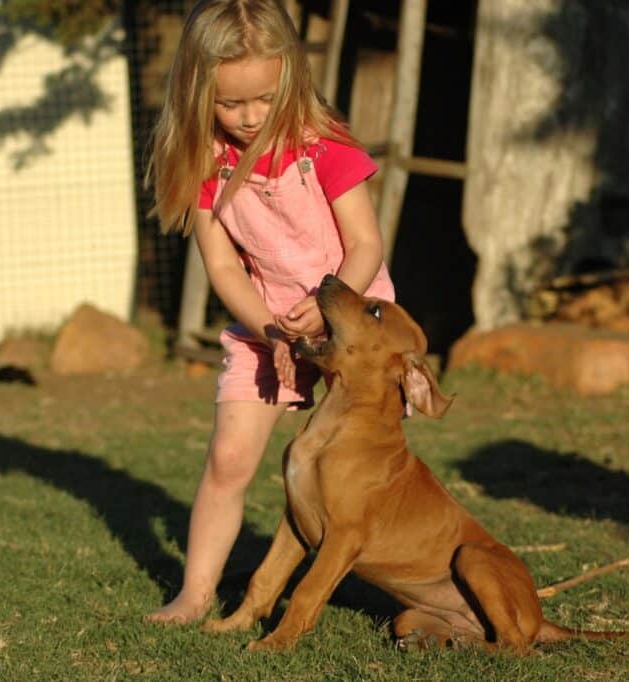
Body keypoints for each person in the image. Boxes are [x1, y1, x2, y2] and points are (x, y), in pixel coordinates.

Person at [144, 0, 394, 624]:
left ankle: (396, 578)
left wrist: (328, 303)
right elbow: (224, 268)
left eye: (264, 98)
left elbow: (366, 245)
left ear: (291, 77)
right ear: (198, 91)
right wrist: (271, 331)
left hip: (351, 324)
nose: (250, 117)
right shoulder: (205, 161)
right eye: (231, 104)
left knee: (354, 469)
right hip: (266, 324)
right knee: (228, 460)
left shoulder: (325, 146)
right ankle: (196, 594)